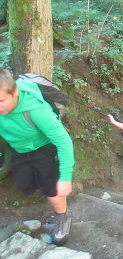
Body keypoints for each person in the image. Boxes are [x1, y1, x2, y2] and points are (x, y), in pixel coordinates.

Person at [0, 68, 74, 245]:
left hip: (43, 149)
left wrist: (65, 178)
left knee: (51, 190)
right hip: (18, 149)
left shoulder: (36, 109)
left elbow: (64, 141)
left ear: (15, 92)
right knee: (26, 185)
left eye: (1, 100)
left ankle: (63, 222)